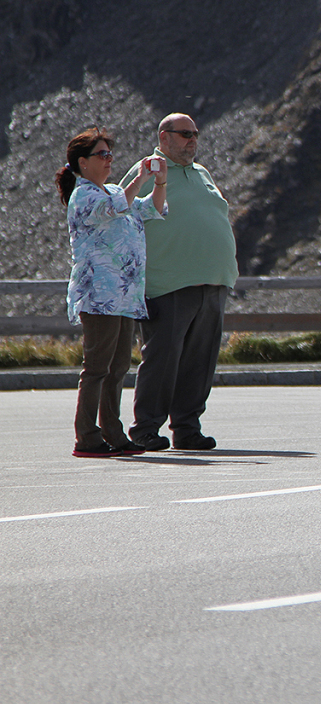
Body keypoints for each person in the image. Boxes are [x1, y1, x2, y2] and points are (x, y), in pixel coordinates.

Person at [122, 114, 238, 452]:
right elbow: (123, 216)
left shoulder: (201, 173)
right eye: (185, 134)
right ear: (164, 136)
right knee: (162, 357)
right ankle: (145, 428)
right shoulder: (147, 170)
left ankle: (187, 428)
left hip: (212, 282)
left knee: (200, 361)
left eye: (195, 134)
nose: (192, 140)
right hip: (168, 283)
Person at [57, 127, 168, 458]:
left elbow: (151, 209)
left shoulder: (116, 190)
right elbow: (115, 208)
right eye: (101, 155)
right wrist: (142, 177)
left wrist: (160, 182)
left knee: (118, 367)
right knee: (97, 368)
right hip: (99, 295)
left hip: (125, 296)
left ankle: (113, 433)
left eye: (110, 154)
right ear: (83, 163)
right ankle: (87, 437)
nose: (108, 160)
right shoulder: (85, 195)